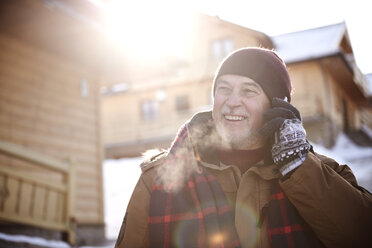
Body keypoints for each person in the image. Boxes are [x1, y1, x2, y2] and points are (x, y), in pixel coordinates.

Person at [115, 47, 372, 248]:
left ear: (277, 106)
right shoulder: (159, 179)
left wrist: (298, 166)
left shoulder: (324, 173)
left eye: (249, 91)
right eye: (223, 89)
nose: (232, 102)